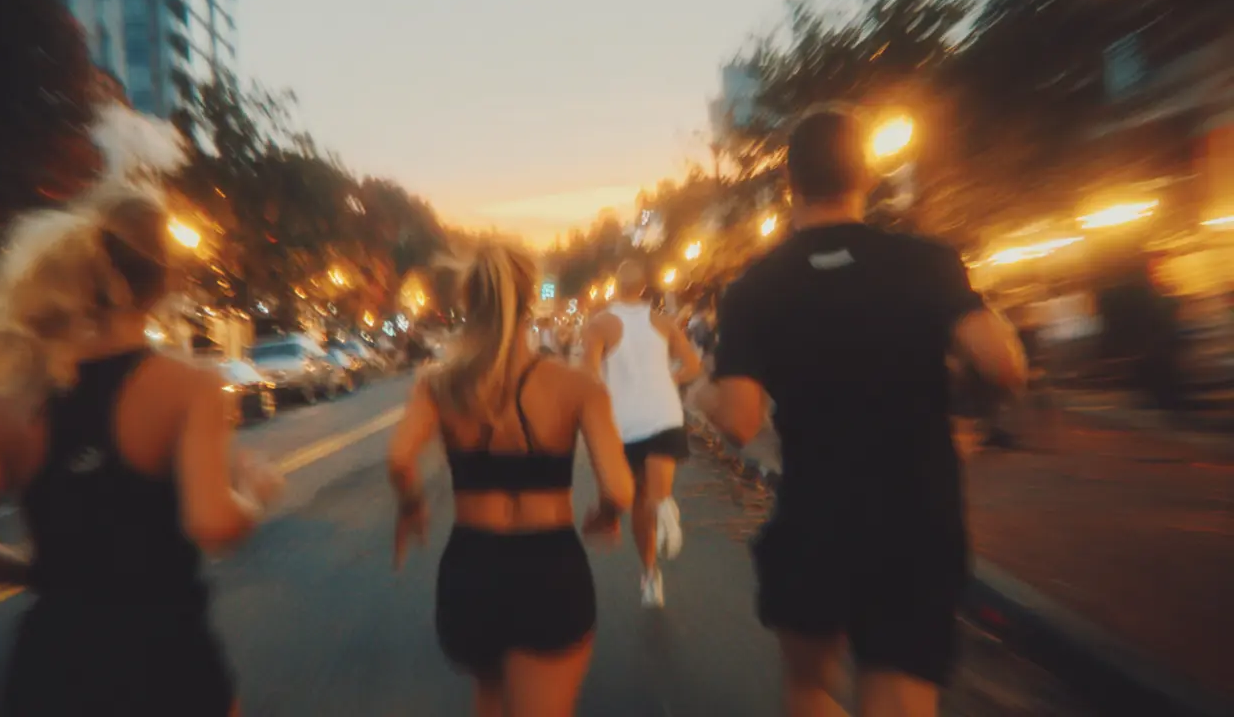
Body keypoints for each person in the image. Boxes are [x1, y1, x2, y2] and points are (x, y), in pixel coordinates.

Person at [690, 108, 1026, 717]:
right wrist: (971, 414)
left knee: (810, 689)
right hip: (918, 521)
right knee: (899, 692)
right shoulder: (928, 264)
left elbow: (739, 420)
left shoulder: (756, 288)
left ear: (789, 184)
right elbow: (1002, 365)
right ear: (865, 176)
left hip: (817, 518)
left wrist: (697, 390)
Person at [0, 185, 284, 716]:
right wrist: (255, 491)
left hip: (47, 675)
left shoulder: (14, 400)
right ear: (166, 281)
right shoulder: (188, 384)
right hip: (164, 668)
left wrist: (32, 571)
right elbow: (215, 524)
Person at [388, 242, 635, 717]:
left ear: (468, 303)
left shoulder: (437, 384)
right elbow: (620, 490)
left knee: (490, 701)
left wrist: (412, 506)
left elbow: (399, 458)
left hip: (471, 565)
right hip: (549, 567)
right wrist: (605, 517)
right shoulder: (577, 386)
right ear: (527, 303)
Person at [580, 262, 703, 608]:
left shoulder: (599, 324)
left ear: (615, 288)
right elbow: (693, 365)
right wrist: (669, 381)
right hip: (665, 415)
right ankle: (665, 506)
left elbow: (589, 377)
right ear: (645, 288)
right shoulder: (663, 322)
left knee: (638, 504)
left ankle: (650, 576)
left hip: (625, 424)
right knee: (655, 494)